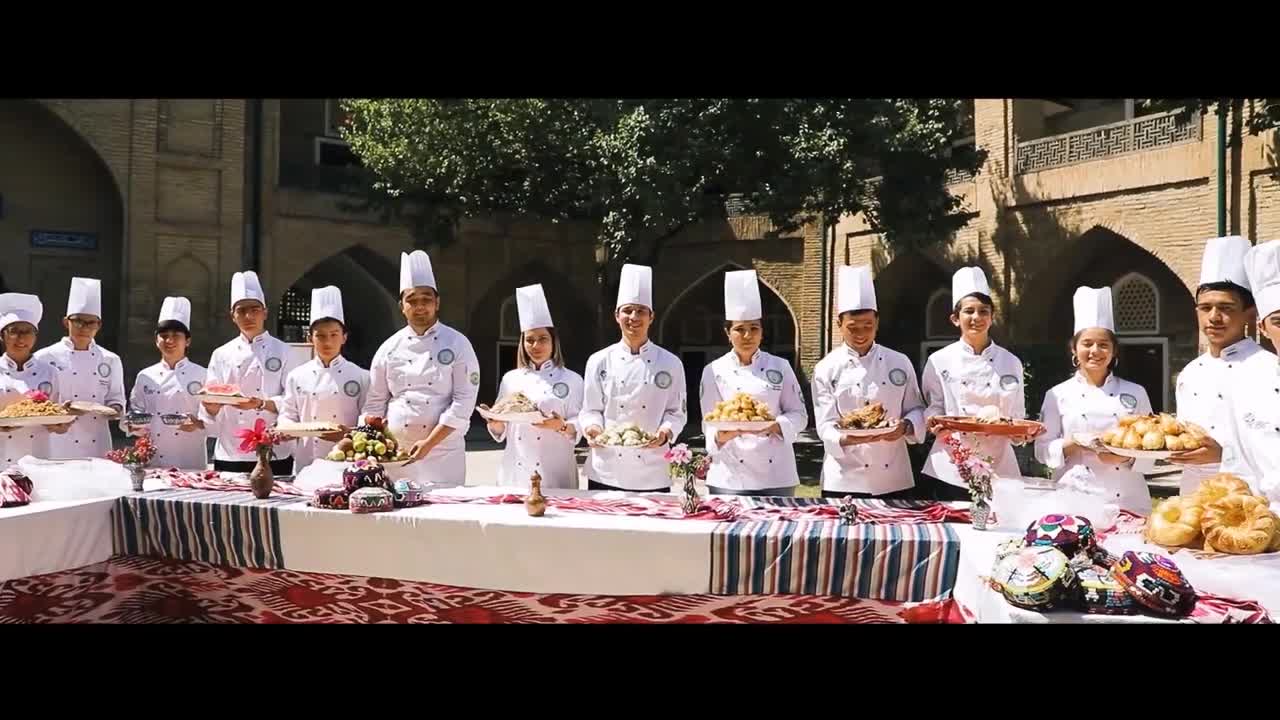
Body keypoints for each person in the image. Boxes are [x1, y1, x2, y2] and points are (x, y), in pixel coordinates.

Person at [360, 250, 480, 487]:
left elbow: (464, 401)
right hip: (395, 454)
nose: (420, 306)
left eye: (426, 299)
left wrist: (429, 443)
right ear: (402, 306)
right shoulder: (388, 348)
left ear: (437, 303)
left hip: (443, 453)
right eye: (412, 300)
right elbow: (374, 403)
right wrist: (375, 442)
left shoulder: (458, 343)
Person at [1034, 287, 1155, 514]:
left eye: (1103, 345)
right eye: (1087, 343)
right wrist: (1076, 442)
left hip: (1127, 499)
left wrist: (1125, 457)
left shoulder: (1136, 392)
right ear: (1074, 348)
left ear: (1114, 351)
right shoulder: (1057, 394)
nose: (1095, 351)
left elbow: (1151, 447)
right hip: (1074, 498)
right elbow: (1042, 450)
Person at [921, 267, 1039, 501]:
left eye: (983, 311)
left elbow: (1016, 417)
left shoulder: (1011, 362)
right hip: (951, 466)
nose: (977, 317)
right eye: (969, 311)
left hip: (1000, 467)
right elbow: (935, 405)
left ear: (992, 317)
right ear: (956, 319)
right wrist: (932, 421)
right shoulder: (938, 360)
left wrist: (1023, 434)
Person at [812, 265, 925, 499]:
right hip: (843, 477)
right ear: (839, 324)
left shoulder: (899, 362)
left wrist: (905, 426)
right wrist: (848, 437)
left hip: (893, 475)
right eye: (853, 328)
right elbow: (825, 424)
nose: (861, 333)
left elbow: (916, 408)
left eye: (868, 326)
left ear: (877, 322)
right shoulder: (825, 368)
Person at [580, 263, 687, 493]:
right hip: (606, 468)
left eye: (641, 311)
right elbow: (590, 410)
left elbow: (676, 412)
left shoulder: (670, 363)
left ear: (651, 316)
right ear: (617, 315)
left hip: (653, 470)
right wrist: (593, 430)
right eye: (627, 310)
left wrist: (665, 432)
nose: (634, 317)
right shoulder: (598, 360)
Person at [699, 269, 807, 497]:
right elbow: (708, 421)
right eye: (739, 329)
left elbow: (799, 415)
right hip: (728, 475)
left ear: (762, 333)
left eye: (754, 328)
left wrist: (774, 425)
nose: (747, 335)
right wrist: (720, 435)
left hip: (776, 472)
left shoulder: (780, 366)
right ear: (727, 333)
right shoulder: (713, 370)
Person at [1169, 235, 1262, 493]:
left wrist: (1225, 455)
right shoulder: (1189, 373)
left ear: (1250, 313)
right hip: (1192, 500)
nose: (1214, 318)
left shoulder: (1269, 369)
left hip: (1250, 502)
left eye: (1226, 307)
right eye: (1205, 307)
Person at [200, 270, 303, 474]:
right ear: (232, 316)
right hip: (230, 450)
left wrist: (261, 403)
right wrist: (210, 406)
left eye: (254, 309)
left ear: (265, 312)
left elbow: (294, 400)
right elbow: (210, 402)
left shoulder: (285, 351)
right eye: (241, 310)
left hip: (274, 450)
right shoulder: (221, 354)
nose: (248, 316)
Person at [483, 284, 584, 489]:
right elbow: (502, 426)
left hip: (556, 468)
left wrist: (562, 426)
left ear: (554, 342)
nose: (536, 346)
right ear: (523, 343)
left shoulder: (573, 380)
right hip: (517, 469)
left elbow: (582, 420)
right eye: (530, 340)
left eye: (542, 339)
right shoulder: (510, 378)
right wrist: (493, 422)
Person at [277, 286, 369, 471]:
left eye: (334, 335)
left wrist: (348, 434)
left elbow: (368, 423)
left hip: (348, 462)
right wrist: (287, 430)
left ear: (344, 337)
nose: (327, 342)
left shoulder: (361, 376)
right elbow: (288, 414)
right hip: (306, 461)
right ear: (309, 338)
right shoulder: (296, 376)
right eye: (320, 336)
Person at [34, 277, 126, 459]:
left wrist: (114, 409)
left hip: (97, 442)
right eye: (78, 321)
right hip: (57, 442)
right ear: (66, 322)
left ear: (99, 325)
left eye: (91, 323)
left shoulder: (111, 359)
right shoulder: (44, 357)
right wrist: (59, 410)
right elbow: (35, 404)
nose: (84, 328)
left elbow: (117, 398)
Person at [120, 297, 209, 469]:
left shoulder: (203, 374)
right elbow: (133, 414)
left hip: (190, 459)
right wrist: (132, 425)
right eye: (164, 336)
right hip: (151, 460)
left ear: (187, 341)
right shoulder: (145, 376)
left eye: (176, 336)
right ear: (156, 340)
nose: (169, 341)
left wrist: (198, 424)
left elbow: (215, 419)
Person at [1222, 239, 1280, 498]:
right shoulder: (1246, 385)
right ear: (1262, 328)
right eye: (1279, 321)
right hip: (1266, 522)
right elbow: (1237, 469)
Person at [0, 294, 71, 465]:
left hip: (38, 455)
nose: (21, 338)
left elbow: (55, 412)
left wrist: (61, 425)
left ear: (35, 336)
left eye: (27, 332)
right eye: (14, 331)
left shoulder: (49, 372)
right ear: (2, 336)